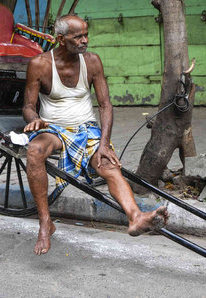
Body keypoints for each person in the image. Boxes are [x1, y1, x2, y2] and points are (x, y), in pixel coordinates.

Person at [22, 14, 168, 255]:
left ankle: (136, 217)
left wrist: (103, 144)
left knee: (108, 164)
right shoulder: (40, 64)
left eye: (86, 35)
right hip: (54, 129)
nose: (84, 40)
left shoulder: (92, 62)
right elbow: (28, 106)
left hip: (87, 128)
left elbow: (106, 105)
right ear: (61, 39)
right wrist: (34, 119)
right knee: (34, 151)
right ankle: (45, 223)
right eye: (77, 36)